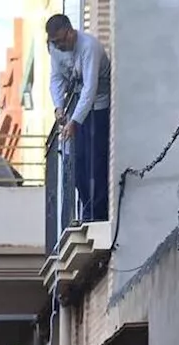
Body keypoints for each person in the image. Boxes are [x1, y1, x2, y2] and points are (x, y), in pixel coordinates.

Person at [46, 13, 112, 223]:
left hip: (99, 106)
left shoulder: (89, 47)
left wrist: (74, 122)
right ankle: (87, 207)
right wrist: (58, 107)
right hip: (79, 109)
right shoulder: (56, 50)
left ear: (70, 32)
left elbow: (90, 88)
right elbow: (56, 80)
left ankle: (98, 213)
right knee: (78, 162)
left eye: (59, 41)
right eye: (53, 43)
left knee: (96, 161)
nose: (58, 46)